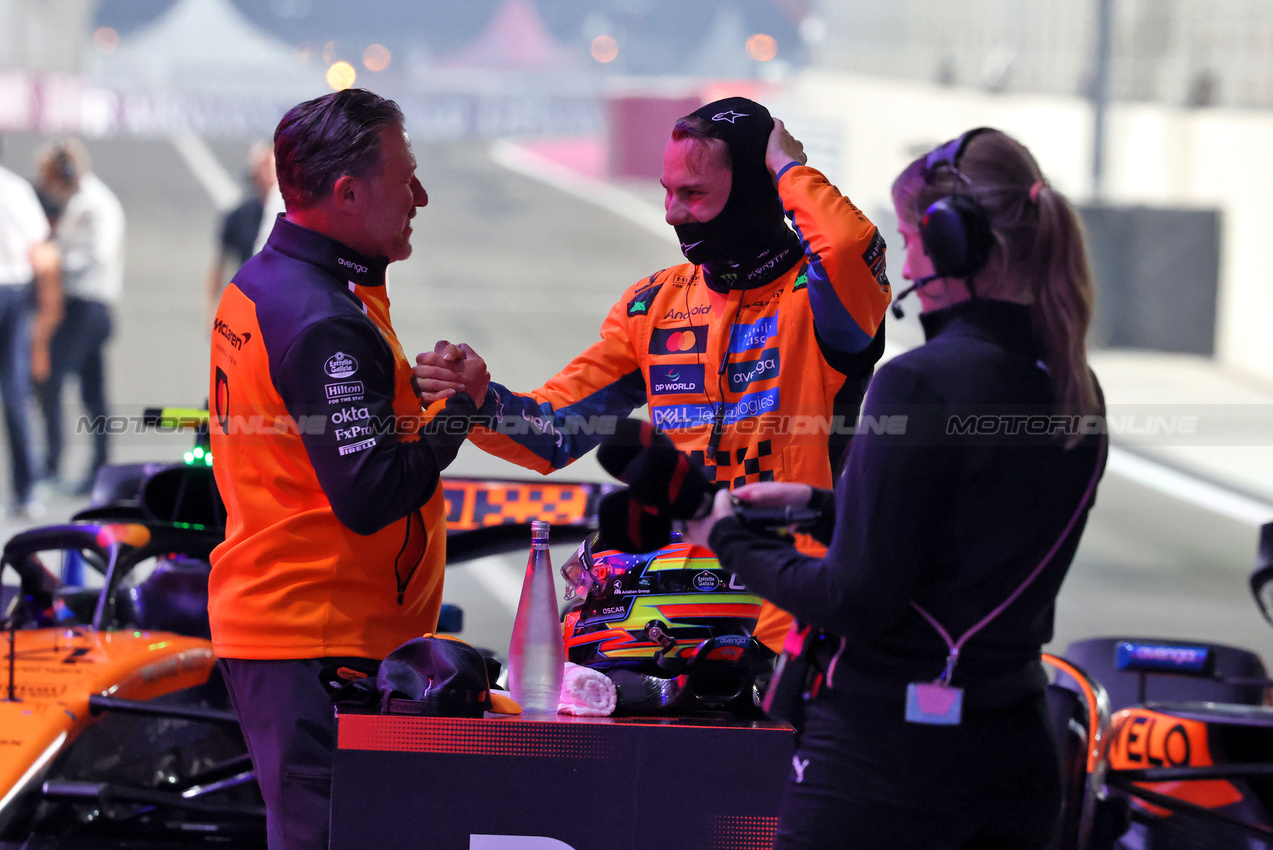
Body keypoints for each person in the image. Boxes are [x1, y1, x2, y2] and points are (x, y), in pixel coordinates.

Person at [685, 127, 1108, 848]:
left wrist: (722, 536)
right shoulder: (1075, 390)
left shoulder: (918, 384)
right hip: (1011, 762)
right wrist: (824, 505)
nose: (906, 257)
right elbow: (969, 533)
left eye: (912, 237)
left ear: (952, 244)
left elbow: (855, 600)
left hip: (885, 767)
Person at [414, 97, 892, 653]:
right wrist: (480, 403)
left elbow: (847, 247)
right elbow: (555, 432)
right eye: (667, 191)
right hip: (668, 618)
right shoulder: (654, 303)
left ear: (756, 192)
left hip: (788, 621)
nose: (671, 212)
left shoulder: (824, 299)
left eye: (692, 194)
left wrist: (788, 168)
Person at [207, 88, 486, 850]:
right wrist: (458, 411)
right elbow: (369, 495)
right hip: (317, 640)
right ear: (348, 191)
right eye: (407, 178)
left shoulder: (274, 282)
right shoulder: (324, 315)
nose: (420, 197)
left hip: (289, 628)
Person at [33, 138, 126, 495]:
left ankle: (54, 464)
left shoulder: (93, 205)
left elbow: (95, 256)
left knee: (51, 380)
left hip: (88, 307)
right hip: (85, 307)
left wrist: (54, 266)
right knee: (93, 392)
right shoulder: (80, 203)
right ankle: (99, 467)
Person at [0, 139, 59, 519]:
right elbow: (43, 256)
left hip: (14, 295)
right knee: (17, 395)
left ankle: (28, 486)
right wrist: (46, 320)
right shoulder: (16, 190)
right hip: (15, 294)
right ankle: (28, 488)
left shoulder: (16, 190)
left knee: (18, 396)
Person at [203, 141, 277, 325]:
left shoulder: (293, 212)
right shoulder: (238, 215)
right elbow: (220, 263)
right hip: (250, 300)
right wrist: (212, 308)